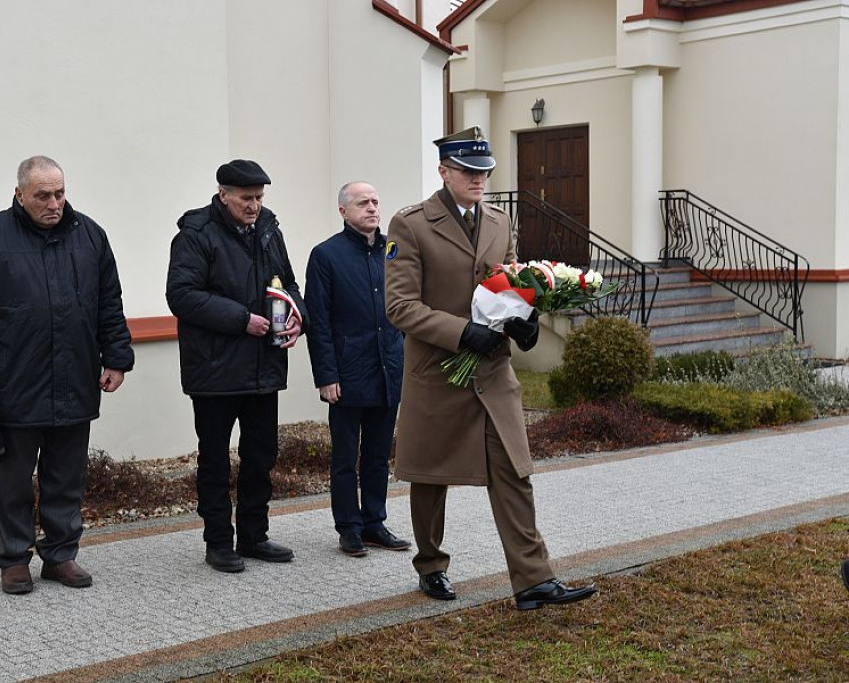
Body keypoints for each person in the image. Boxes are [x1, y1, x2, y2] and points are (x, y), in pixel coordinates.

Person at [384, 127, 597, 609]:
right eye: (468, 171)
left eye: (484, 172)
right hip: (439, 372)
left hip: (492, 372)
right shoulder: (411, 224)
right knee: (431, 477)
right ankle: (431, 566)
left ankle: (534, 580)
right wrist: (462, 332)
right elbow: (399, 307)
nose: (479, 179)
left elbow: (510, 284)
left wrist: (526, 321)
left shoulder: (499, 222)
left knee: (515, 472)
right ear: (444, 172)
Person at [0, 155, 134, 595]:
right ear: (19, 194)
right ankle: (14, 558)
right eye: (42, 195)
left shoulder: (90, 236)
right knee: (14, 478)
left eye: (60, 193)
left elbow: (109, 302)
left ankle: (61, 555)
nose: (54, 203)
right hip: (14, 380)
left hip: (75, 376)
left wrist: (116, 357)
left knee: (66, 475)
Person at [167, 159, 307, 573]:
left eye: (260, 198)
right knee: (215, 460)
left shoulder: (268, 230)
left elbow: (290, 285)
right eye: (246, 198)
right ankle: (218, 542)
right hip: (215, 371)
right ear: (223, 195)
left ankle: (253, 535)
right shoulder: (195, 235)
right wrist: (241, 319)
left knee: (261, 454)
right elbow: (182, 295)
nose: (254, 206)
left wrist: (299, 316)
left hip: (264, 366)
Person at [305, 182, 409, 557]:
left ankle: (374, 521)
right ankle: (348, 527)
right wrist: (326, 376)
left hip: (388, 370)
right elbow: (318, 321)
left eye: (376, 201)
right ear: (343, 211)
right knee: (346, 457)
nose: (372, 208)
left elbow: (407, 307)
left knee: (380, 454)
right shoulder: (326, 256)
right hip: (347, 374)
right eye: (363, 202)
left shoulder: (394, 252)